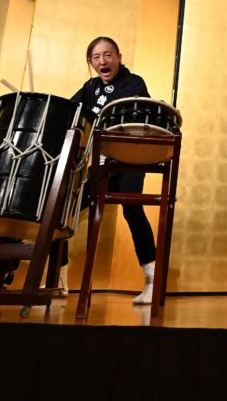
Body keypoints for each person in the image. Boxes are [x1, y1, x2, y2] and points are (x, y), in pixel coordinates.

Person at [65, 36, 158, 305]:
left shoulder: (134, 82)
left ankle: (152, 280)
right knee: (66, 206)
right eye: (96, 57)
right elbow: (72, 111)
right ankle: (57, 276)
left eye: (108, 55)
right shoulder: (90, 87)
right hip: (103, 162)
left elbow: (145, 118)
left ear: (118, 57)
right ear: (91, 63)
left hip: (130, 158)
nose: (102, 61)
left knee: (132, 207)